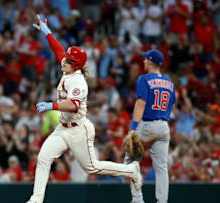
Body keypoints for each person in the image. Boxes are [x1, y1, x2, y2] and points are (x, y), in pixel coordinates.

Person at [25, 15, 142, 203]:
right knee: (44, 157)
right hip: (63, 128)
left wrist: (51, 105)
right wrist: (46, 32)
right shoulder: (68, 68)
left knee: (92, 168)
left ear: (76, 65)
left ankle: (131, 170)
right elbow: (59, 51)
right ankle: (36, 199)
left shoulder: (78, 81)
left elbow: (73, 105)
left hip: (79, 129)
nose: (64, 61)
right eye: (67, 59)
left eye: (69, 60)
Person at [125, 49, 176, 203]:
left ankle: (138, 199)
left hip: (147, 125)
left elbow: (141, 103)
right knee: (161, 168)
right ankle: (162, 201)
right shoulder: (170, 82)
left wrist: (133, 129)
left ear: (150, 61)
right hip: (163, 126)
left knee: (130, 162)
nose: (144, 61)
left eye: (146, 59)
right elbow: (171, 104)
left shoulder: (144, 79)